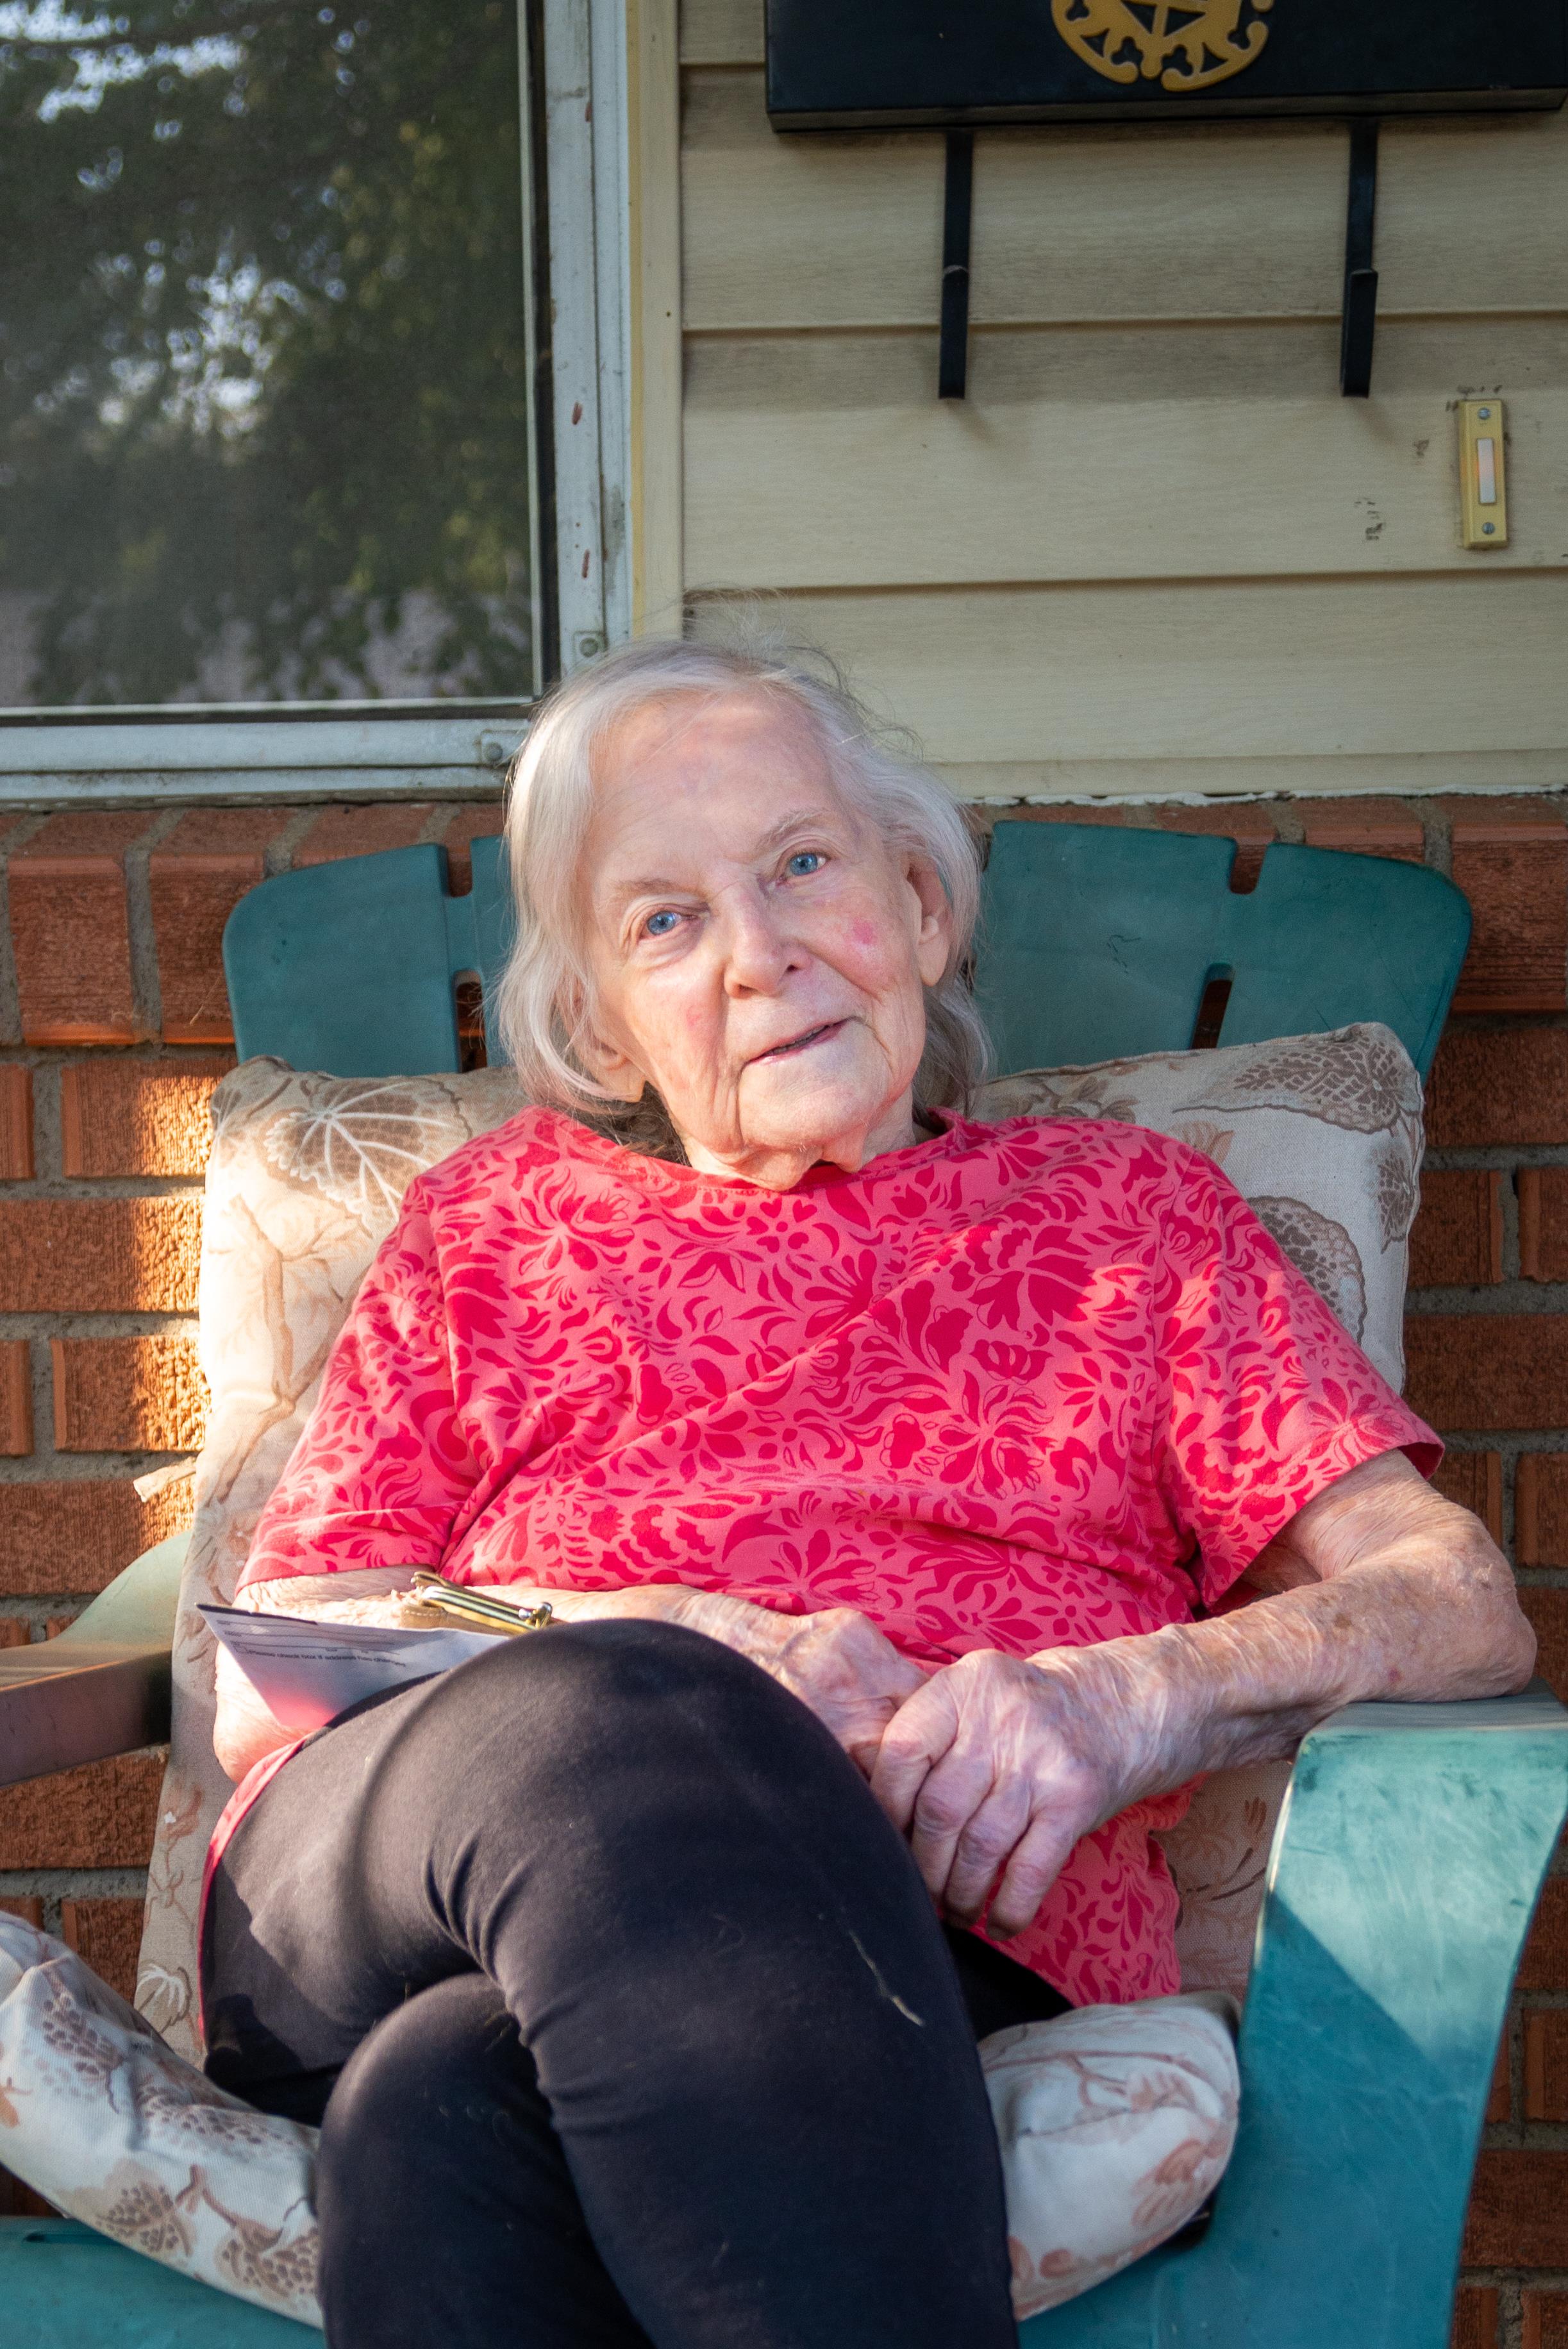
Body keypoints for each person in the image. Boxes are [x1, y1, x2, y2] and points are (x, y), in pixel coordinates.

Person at [202, 640, 1535, 2349]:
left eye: (802, 866)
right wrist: (636, 1634)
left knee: (440, 2118)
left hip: (892, 1933)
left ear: (917, 904)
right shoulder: (494, 1232)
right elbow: (308, 1627)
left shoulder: (1130, 1224)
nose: (760, 956)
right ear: (604, 1019)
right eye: (666, 921)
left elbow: (1453, 1598)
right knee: (649, 1709)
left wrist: (1136, 1700)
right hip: (398, 1868)